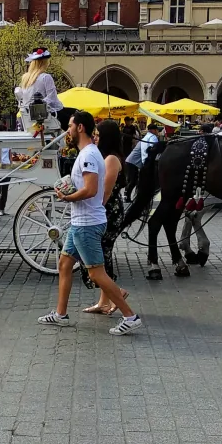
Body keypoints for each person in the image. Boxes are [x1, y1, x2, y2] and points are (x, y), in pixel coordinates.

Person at [39, 110, 143, 336]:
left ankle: (130, 316)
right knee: (65, 265)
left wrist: (67, 197)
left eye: (69, 125)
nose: (67, 130)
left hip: (87, 223)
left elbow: (90, 189)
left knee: (96, 273)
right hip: (81, 222)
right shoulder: (90, 153)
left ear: (80, 128)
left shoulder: (88, 155)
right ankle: (61, 314)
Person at [82, 119, 129, 315]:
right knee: (103, 254)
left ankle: (116, 293)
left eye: (99, 135)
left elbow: (106, 192)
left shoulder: (111, 159)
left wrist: (93, 210)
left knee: (102, 254)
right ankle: (104, 301)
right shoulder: (106, 157)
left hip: (109, 211)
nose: (95, 138)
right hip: (106, 210)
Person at [14, 47, 63, 133]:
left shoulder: (25, 78)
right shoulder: (46, 77)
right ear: (44, 62)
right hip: (44, 116)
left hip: (28, 117)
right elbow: (52, 98)